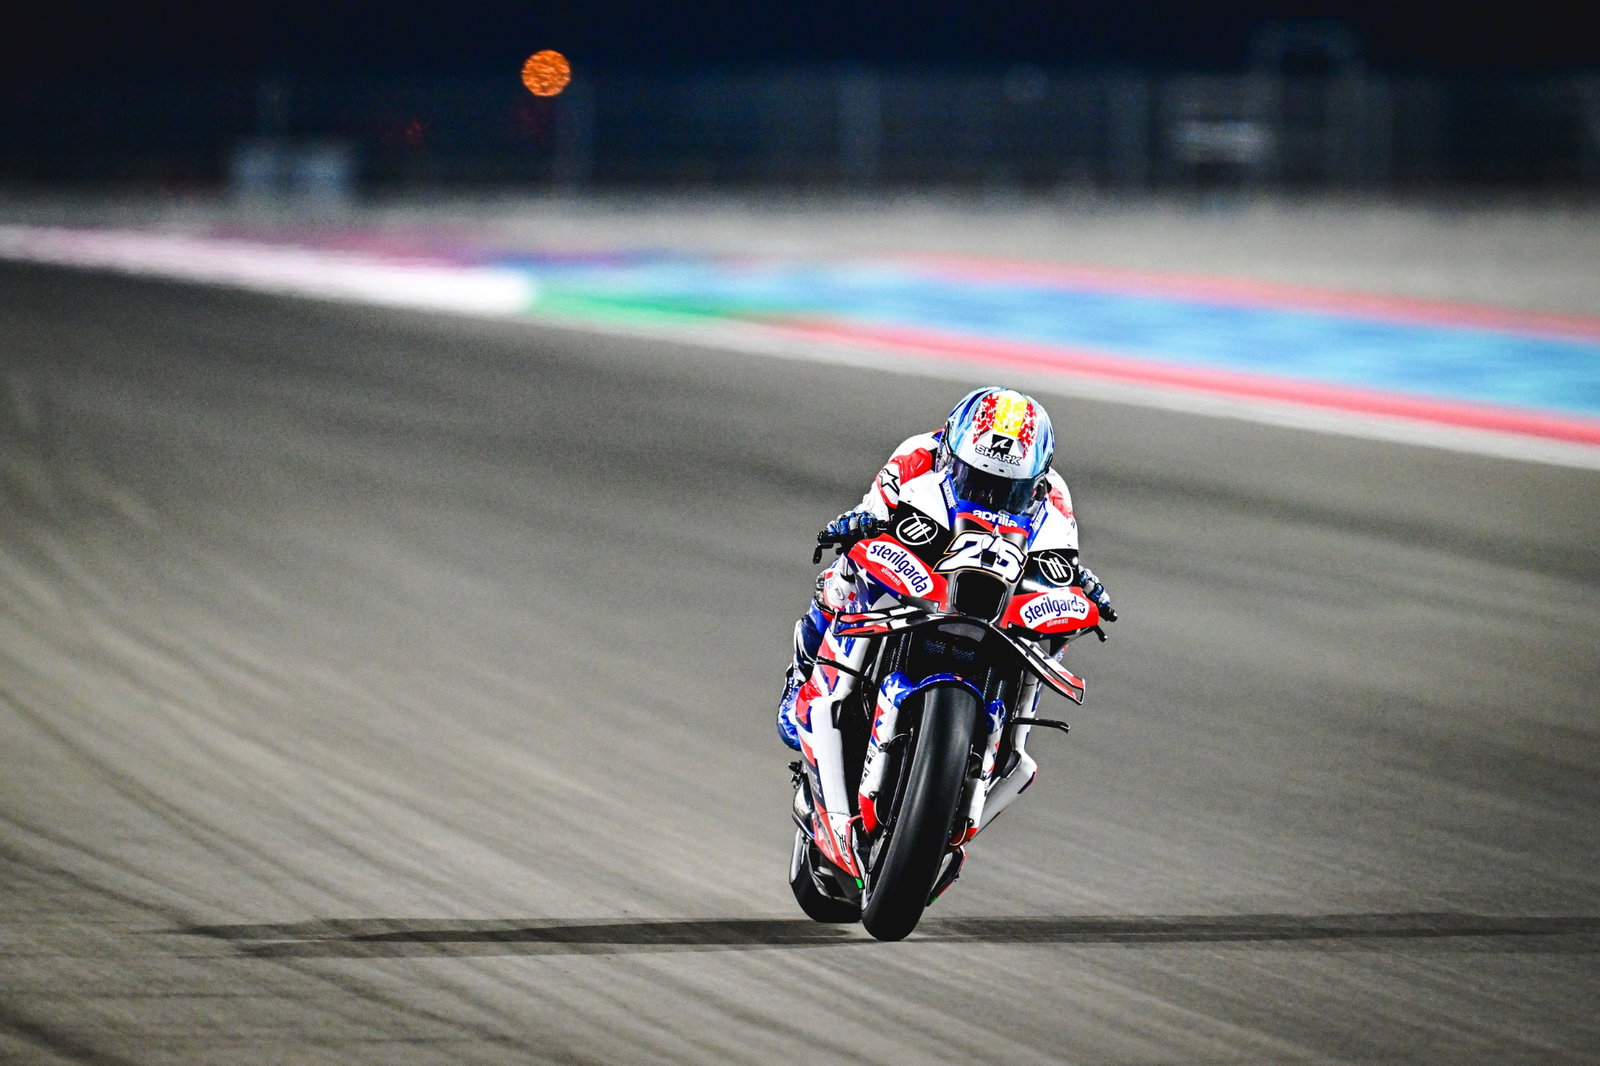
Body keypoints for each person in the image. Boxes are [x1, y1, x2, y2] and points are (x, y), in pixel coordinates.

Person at [776, 385, 1116, 750]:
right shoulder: (916, 455)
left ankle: (1013, 741)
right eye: (975, 480)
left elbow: (1058, 554)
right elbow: (872, 513)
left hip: (1000, 575)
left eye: (1008, 491)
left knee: (1053, 632)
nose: (988, 497)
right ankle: (805, 676)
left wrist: (1077, 580)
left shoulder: (1055, 494)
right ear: (948, 457)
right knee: (843, 573)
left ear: (1035, 485)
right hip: (929, 558)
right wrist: (855, 522)